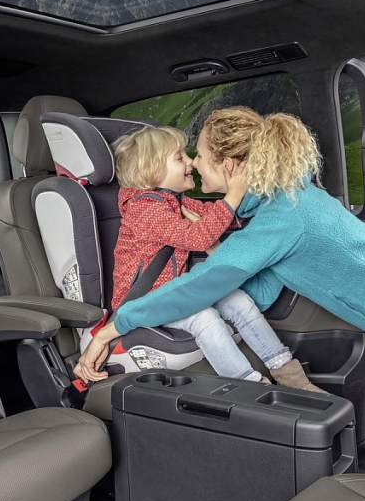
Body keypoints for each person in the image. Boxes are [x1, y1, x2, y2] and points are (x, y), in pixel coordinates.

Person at [77, 108, 365, 404]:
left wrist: (111, 330)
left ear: (229, 165)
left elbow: (203, 284)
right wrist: (225, 296)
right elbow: (260, 290)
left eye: (200, 155)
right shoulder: (280, 200)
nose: (194, 163)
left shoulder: (279, 218)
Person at [106, 125, 324, 391]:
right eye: (180, 157)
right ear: (151, 170)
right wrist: (232, 195)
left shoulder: (173, 201)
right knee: (204, 317)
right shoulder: (143, 210)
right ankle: (248, 387)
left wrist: (261, 203)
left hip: (173, 294)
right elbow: (198, 237)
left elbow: (218, 217)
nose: (190, 162)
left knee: (238, 298)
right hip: (146, 302)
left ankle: (289, 374)